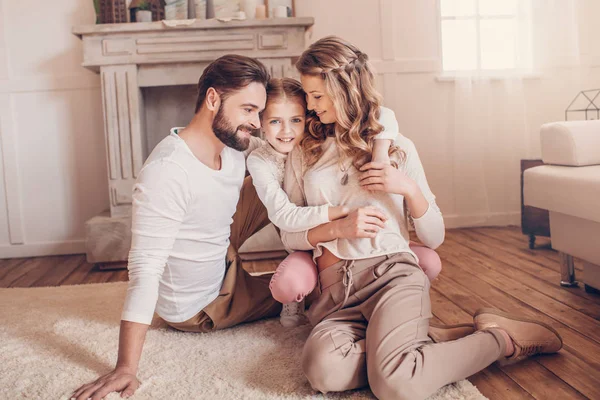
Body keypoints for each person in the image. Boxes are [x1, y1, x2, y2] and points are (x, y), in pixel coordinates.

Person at [280, 36, 563, 400]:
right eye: (307, 95)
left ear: (345, 90)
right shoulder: (303, 151)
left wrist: (407, 189)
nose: (310, 105)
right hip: (336, 295)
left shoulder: (397, 147)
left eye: (317, 96)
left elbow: (434, 237)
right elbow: (288, 236)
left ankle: (501, 341)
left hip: (393, 277)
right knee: (323, 370)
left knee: (396, 385)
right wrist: (337, 228)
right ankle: (417, 342)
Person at [72, 55, 282, 400]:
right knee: (294, 295)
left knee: (290, 172)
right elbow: (145, 269)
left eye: (258, 112)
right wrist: (126, 368)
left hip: (219, 245)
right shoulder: (168, 171)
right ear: (213, 99)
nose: (257, 123)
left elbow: (285, 146)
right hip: (201, 304)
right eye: (248, 110)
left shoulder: (232, 146)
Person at [247, 77, 443, 328]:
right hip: (310, 237)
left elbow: (383, 114)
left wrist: (383, 154)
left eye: (296, 120)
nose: (287, 131)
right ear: (261, 124)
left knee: (429, 261)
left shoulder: (390, 143)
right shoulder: (280, 156)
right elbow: (287, 223)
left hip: (357, 240)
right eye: (275, 121)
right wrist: (342, 217)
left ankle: (400, 297)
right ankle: (315, 294)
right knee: (290, 281)